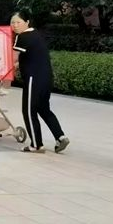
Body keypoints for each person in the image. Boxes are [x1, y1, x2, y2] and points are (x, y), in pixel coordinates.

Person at [10, 10, 70, 154]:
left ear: (27, 22)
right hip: (46, 78)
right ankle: (60, 137)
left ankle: (36, 145)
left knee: (29, 111)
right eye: (12, 22)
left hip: (33, 78)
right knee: (43, 109)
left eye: (18, 22)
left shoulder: (22, 37)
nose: (15, 25)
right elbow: (27, 58)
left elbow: (12, 59)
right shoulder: (36, 34)